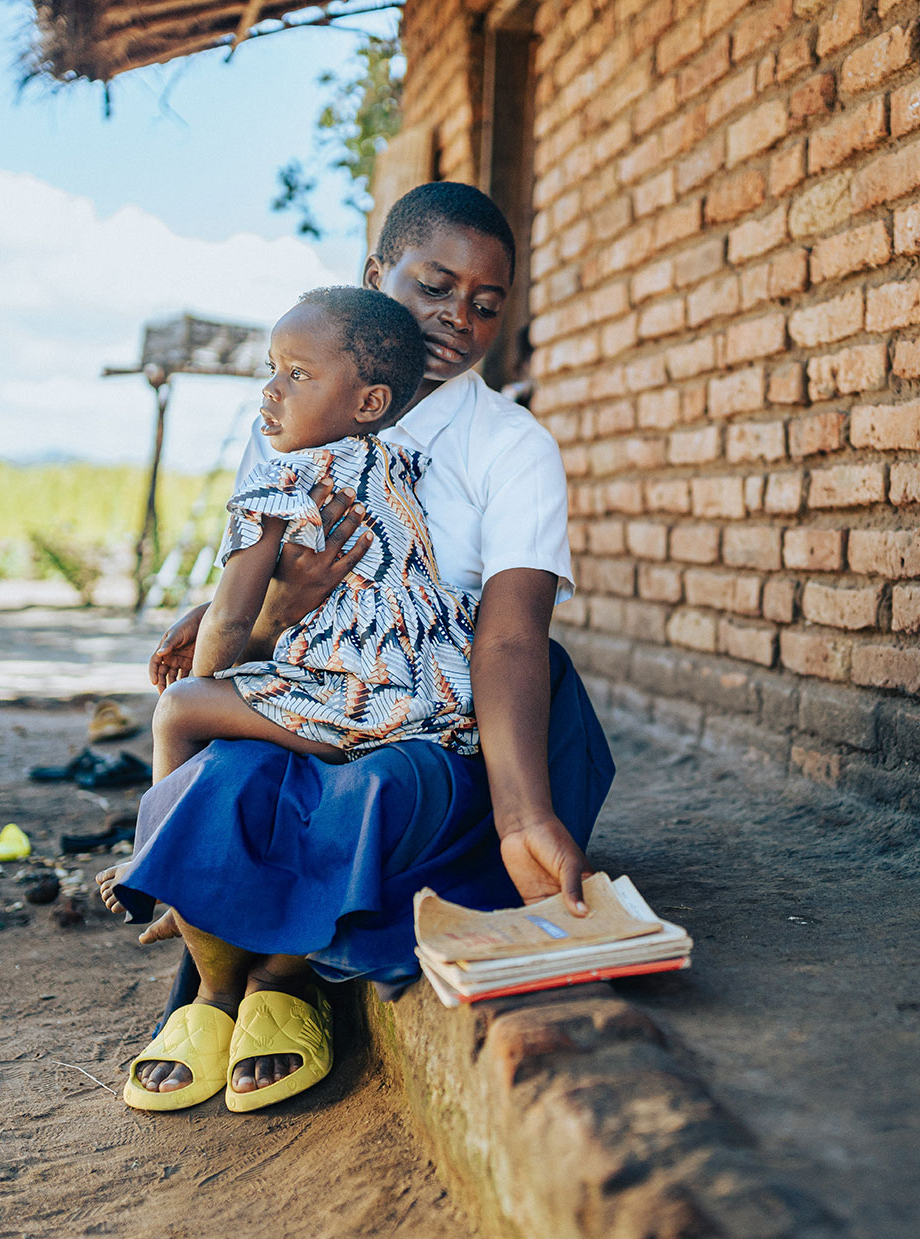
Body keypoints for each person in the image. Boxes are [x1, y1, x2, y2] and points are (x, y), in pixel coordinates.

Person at [100, 183, 614, 1114]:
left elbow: (506, 637)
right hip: (310, 686)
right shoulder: (295, 420)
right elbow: (249, 622)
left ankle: (287, 983)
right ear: (376, 276)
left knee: (380, 791)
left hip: (439, 711)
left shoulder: (510, 449)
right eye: (434, 285)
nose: (458, 318)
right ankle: (216, 990)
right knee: (227, 774)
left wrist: (522, 815)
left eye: (486, 304)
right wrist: (277, 610)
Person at [148, 285, 478, 775]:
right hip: (440, 694)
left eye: (298, 374)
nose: (271, 389)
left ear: (369, 404)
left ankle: (158, 850)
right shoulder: (396, 467)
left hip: (360, 702)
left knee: (178, 709)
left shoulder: (281, 482)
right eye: (272, 368)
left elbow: (231, 621)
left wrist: (205, 688)